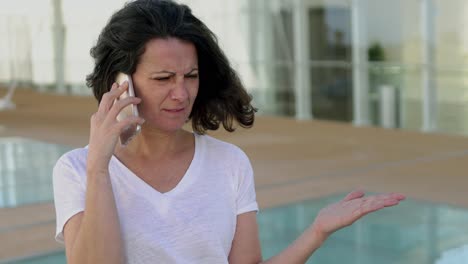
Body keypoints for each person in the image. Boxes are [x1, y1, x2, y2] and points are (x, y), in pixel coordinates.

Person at [52, 0, 405, 263]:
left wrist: (316, 233)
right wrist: (99, 167)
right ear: (121, 83)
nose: (181, 93)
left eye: (190, 76)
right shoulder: (77, 170)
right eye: (163, 79)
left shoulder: (229, 162)